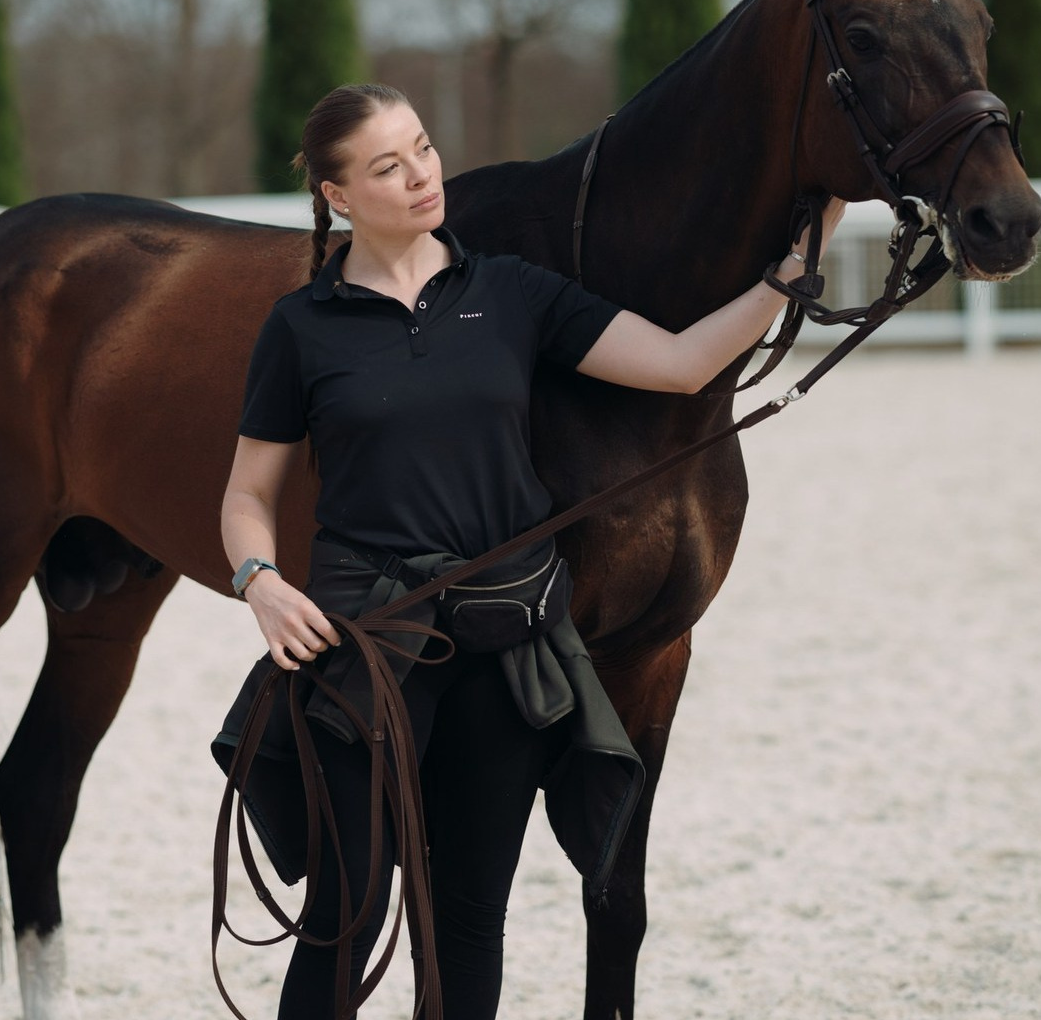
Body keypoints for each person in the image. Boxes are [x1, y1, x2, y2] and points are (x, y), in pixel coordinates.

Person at [217, 82, 844, 1019]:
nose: (422, 174)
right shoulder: (300, 327)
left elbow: (680, 364)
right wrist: (260, 582)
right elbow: (247, 495)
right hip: (364, 647)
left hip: (504, 643)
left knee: (473, 916)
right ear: (339, 196)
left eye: (423, 148)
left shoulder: (510, 290)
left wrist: (792, 268)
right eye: (388, 166)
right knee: (348, 913)